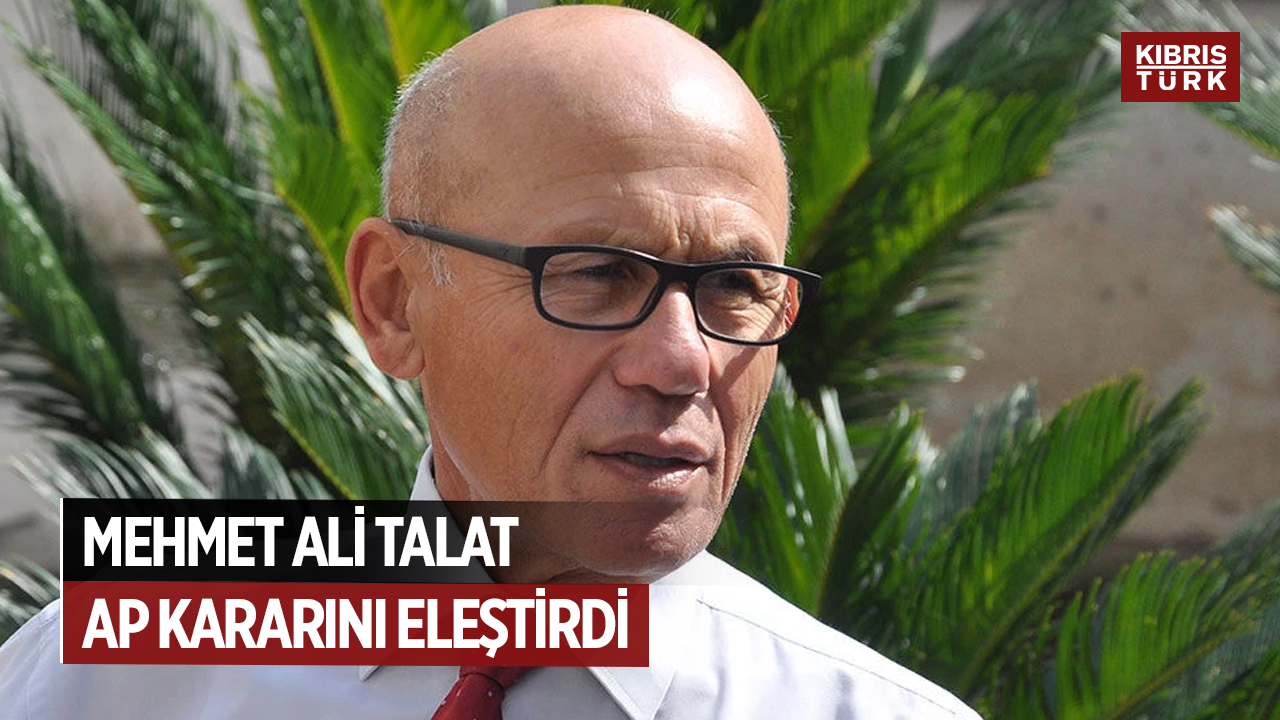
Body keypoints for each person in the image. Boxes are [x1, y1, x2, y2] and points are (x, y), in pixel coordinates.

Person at [0, 6, 982, 719]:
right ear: (393, 302)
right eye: (597, 273)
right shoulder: (112, 678)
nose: (682, 361)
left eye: (734, 285)